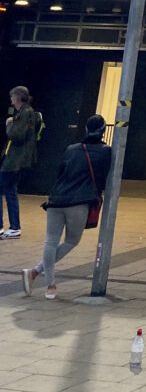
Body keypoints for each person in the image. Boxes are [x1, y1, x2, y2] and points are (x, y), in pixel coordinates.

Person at [22, 114, 112, 300]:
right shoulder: (106, 152)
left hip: (55, 199)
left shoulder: (71, 149)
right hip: (78, 202)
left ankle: (49, 285)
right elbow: (104, 177)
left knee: (50, 240)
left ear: (86, 129)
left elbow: (61, 172)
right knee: (71, 240)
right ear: (103, 131)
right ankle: (35, 272)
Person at [2, 86, 39, 240]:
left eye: (12, 97)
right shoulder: (25, 112)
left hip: (15, 160)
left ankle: (14, 226)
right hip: (14, 159)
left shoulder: (25, 113)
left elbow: (17, 135)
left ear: (17, 97)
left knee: (8, 190)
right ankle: (14, 226)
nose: (11, 100)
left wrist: (9, 124)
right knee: (10, 191)